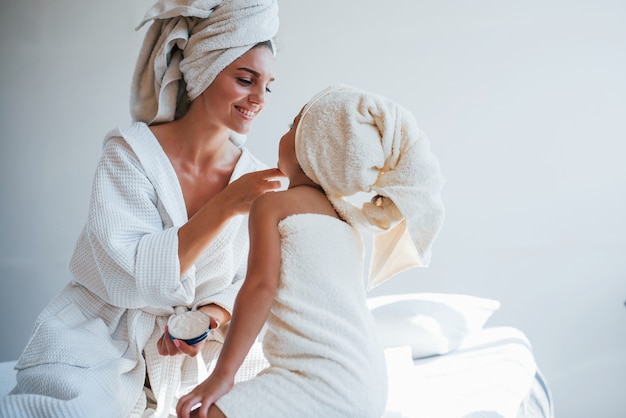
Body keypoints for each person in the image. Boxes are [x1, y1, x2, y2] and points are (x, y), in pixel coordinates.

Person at [0, 1, 282, 417]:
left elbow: (251, 279)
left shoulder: (256, 176)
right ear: (203, 68)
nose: (259, 98)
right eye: (245, 79)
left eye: (268, 85)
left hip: (199, 352)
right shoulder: (129, 154)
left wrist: (207, 317)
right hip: (107, 337)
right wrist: (225, 204)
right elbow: (129, 273)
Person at [176, 84, 447, 418]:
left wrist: (221, 377)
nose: (285, 132)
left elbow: (259, 288)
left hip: (320, 381)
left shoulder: (273, 205)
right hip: (369, 382)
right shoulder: (349, 225)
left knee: (203, 412)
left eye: (292, 126)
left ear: (313, 144)